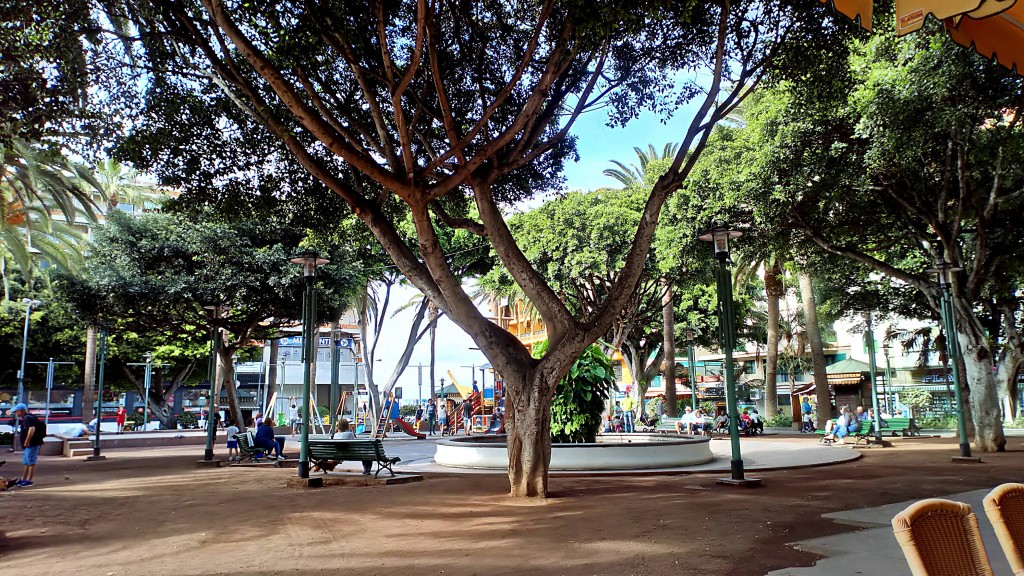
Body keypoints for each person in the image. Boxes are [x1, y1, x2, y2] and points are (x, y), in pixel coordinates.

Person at [14, 404, 43, 487]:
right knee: (27, 462)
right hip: (31, 444)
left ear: (20, 411)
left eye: (16, 411)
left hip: (32, 443)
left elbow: (32, 429)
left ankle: (29, 480)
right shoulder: (28, 417)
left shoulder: (27, 418)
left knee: (31, 462)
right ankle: (24, 479)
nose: (15, 413)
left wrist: (27, 441)